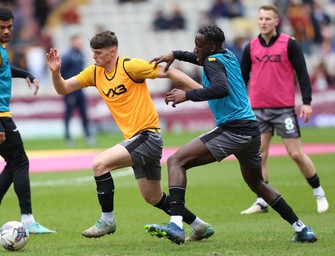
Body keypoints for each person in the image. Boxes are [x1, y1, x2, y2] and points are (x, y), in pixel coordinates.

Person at [144, 24, 318, 245]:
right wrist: (176, 54)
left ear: (212, 47)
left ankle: (176, 224)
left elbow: (221, 88)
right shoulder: (225, 55)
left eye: (199, 45)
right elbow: (201, 59)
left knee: (176, 161)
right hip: (251, 130)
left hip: (233, 129)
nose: (195, 49)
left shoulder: (211, 61)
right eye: (195, 44)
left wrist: (187, 95)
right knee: (257, 183)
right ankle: (302, 229)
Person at [46, 30, 215, 241]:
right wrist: (55, 72)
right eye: (93, 52)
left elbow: (169, 72)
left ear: (112, 52)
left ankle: (107, 220)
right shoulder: (94, 73)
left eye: (98, 53)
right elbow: (63, 89)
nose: (94, 56)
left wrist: (203, 92)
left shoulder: (130, 66)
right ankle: (199, 226)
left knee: (99, 164)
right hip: (136, 140)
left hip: (147, 136)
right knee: (153, 197)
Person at [0, 7, 55, 234]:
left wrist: (26, 73)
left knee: (14, 160)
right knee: (20, 161)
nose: (7, 31)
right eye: (2, 27)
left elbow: (3, 69)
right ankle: (28, 220)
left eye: (9, 27)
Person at [240, 4, 328, 215]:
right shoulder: (250, 46)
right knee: (260, 155)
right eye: (260, 18)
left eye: (267, 19)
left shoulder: (289, 44)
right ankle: (262, 200)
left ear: (276, 21)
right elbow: (242, 78)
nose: (263, 22)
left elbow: (303, 73)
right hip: (258, 109)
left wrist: (306, 101)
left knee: (296, 153)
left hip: (283, 109)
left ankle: (318, 192)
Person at [60, 34, 94, 146]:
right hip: (70, 90)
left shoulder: (81, 55)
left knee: (84, 113)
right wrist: (65, 85)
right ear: (73, 42)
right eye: (78, 41)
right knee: (68, 114)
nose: (80, 44)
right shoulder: (67, 56)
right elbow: (61, 73)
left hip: (80, 90)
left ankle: (88, 135)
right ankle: (68, 137)